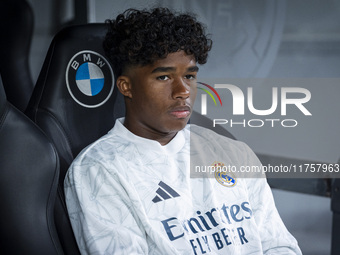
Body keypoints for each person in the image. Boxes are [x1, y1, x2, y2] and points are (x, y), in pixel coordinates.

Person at [64, 7, 302, 255]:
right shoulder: (99, 170)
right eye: (164, 77)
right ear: (127, 87)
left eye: (189, 75)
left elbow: (280, 246)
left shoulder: (233, 153)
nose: (183, 91)